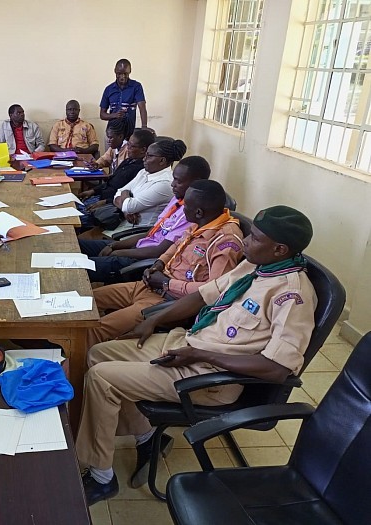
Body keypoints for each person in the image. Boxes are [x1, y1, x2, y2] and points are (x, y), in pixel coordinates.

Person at [76, 206, 316, 506]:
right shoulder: (256, 267)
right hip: (190, 345)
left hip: (210, 378)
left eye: (254, 238)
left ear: (280, 249)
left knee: (102, 378)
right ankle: (147, 439)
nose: (245, 242)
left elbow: (278, 369)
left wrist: (200, 355)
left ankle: (101, 478)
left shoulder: (292, 296)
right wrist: (153, 319)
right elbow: (201, 296)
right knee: (99, 353)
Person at [86, 180, 244, 348]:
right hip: (150, 286)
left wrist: (166, 283)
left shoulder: (225, 241)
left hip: (168, 303)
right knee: (87, 301)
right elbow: (176, 246)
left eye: (186, 205)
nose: (182, 208)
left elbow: (212, 291)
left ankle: (71, 368)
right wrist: (159, 264)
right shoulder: (202, 223)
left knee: (95, 329)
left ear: (198, 212)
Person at [79, 155, 212, 282]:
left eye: (178, 181)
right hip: (137, 247)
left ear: (196, 182)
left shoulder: (191, 215)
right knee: (79, 245)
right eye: (173, 179)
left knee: (79, 267)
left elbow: (159, 251)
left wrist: (118, 252)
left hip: (142, 260)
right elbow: (151, 232)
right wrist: (115, 245)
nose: (172, 184)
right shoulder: (177, 200)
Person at [112, 138, 187, 227]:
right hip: (124, 223)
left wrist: (125, 198)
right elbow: (118, 193)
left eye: (149, 156)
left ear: (162, 160)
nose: (144, 159)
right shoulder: (143, 172)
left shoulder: (165, 183)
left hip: (138, 231)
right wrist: (126, 210)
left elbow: (129, 206)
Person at [100, 58, 147, 131]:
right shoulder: (108, 89)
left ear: (130, 71)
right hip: (112, 134)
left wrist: (144, 126)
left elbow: (142, 107)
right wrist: (115, 115)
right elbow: (102, 115)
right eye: (119, 73)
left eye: (125, 73)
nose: (122, 77)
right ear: (115, 71)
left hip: (129, 131)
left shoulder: (136, 87)